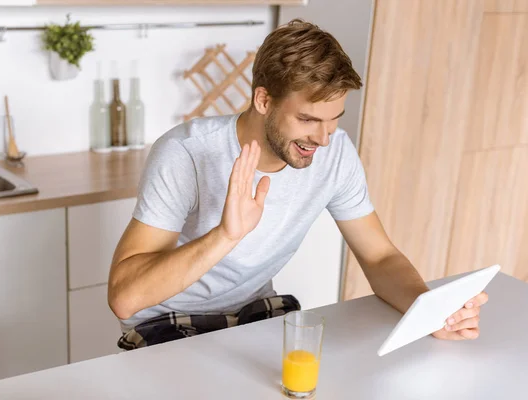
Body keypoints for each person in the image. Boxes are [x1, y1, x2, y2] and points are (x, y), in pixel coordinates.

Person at [107, 19, 488, 350]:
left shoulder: (335, 151)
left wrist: (431, 311)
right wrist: (225, 236)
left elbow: (379, 257)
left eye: (334, 118)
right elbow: (125, 299)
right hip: (169, 322)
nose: (323, 138)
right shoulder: (186, 152)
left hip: (253, 316)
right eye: (307, 120)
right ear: (263, 99)